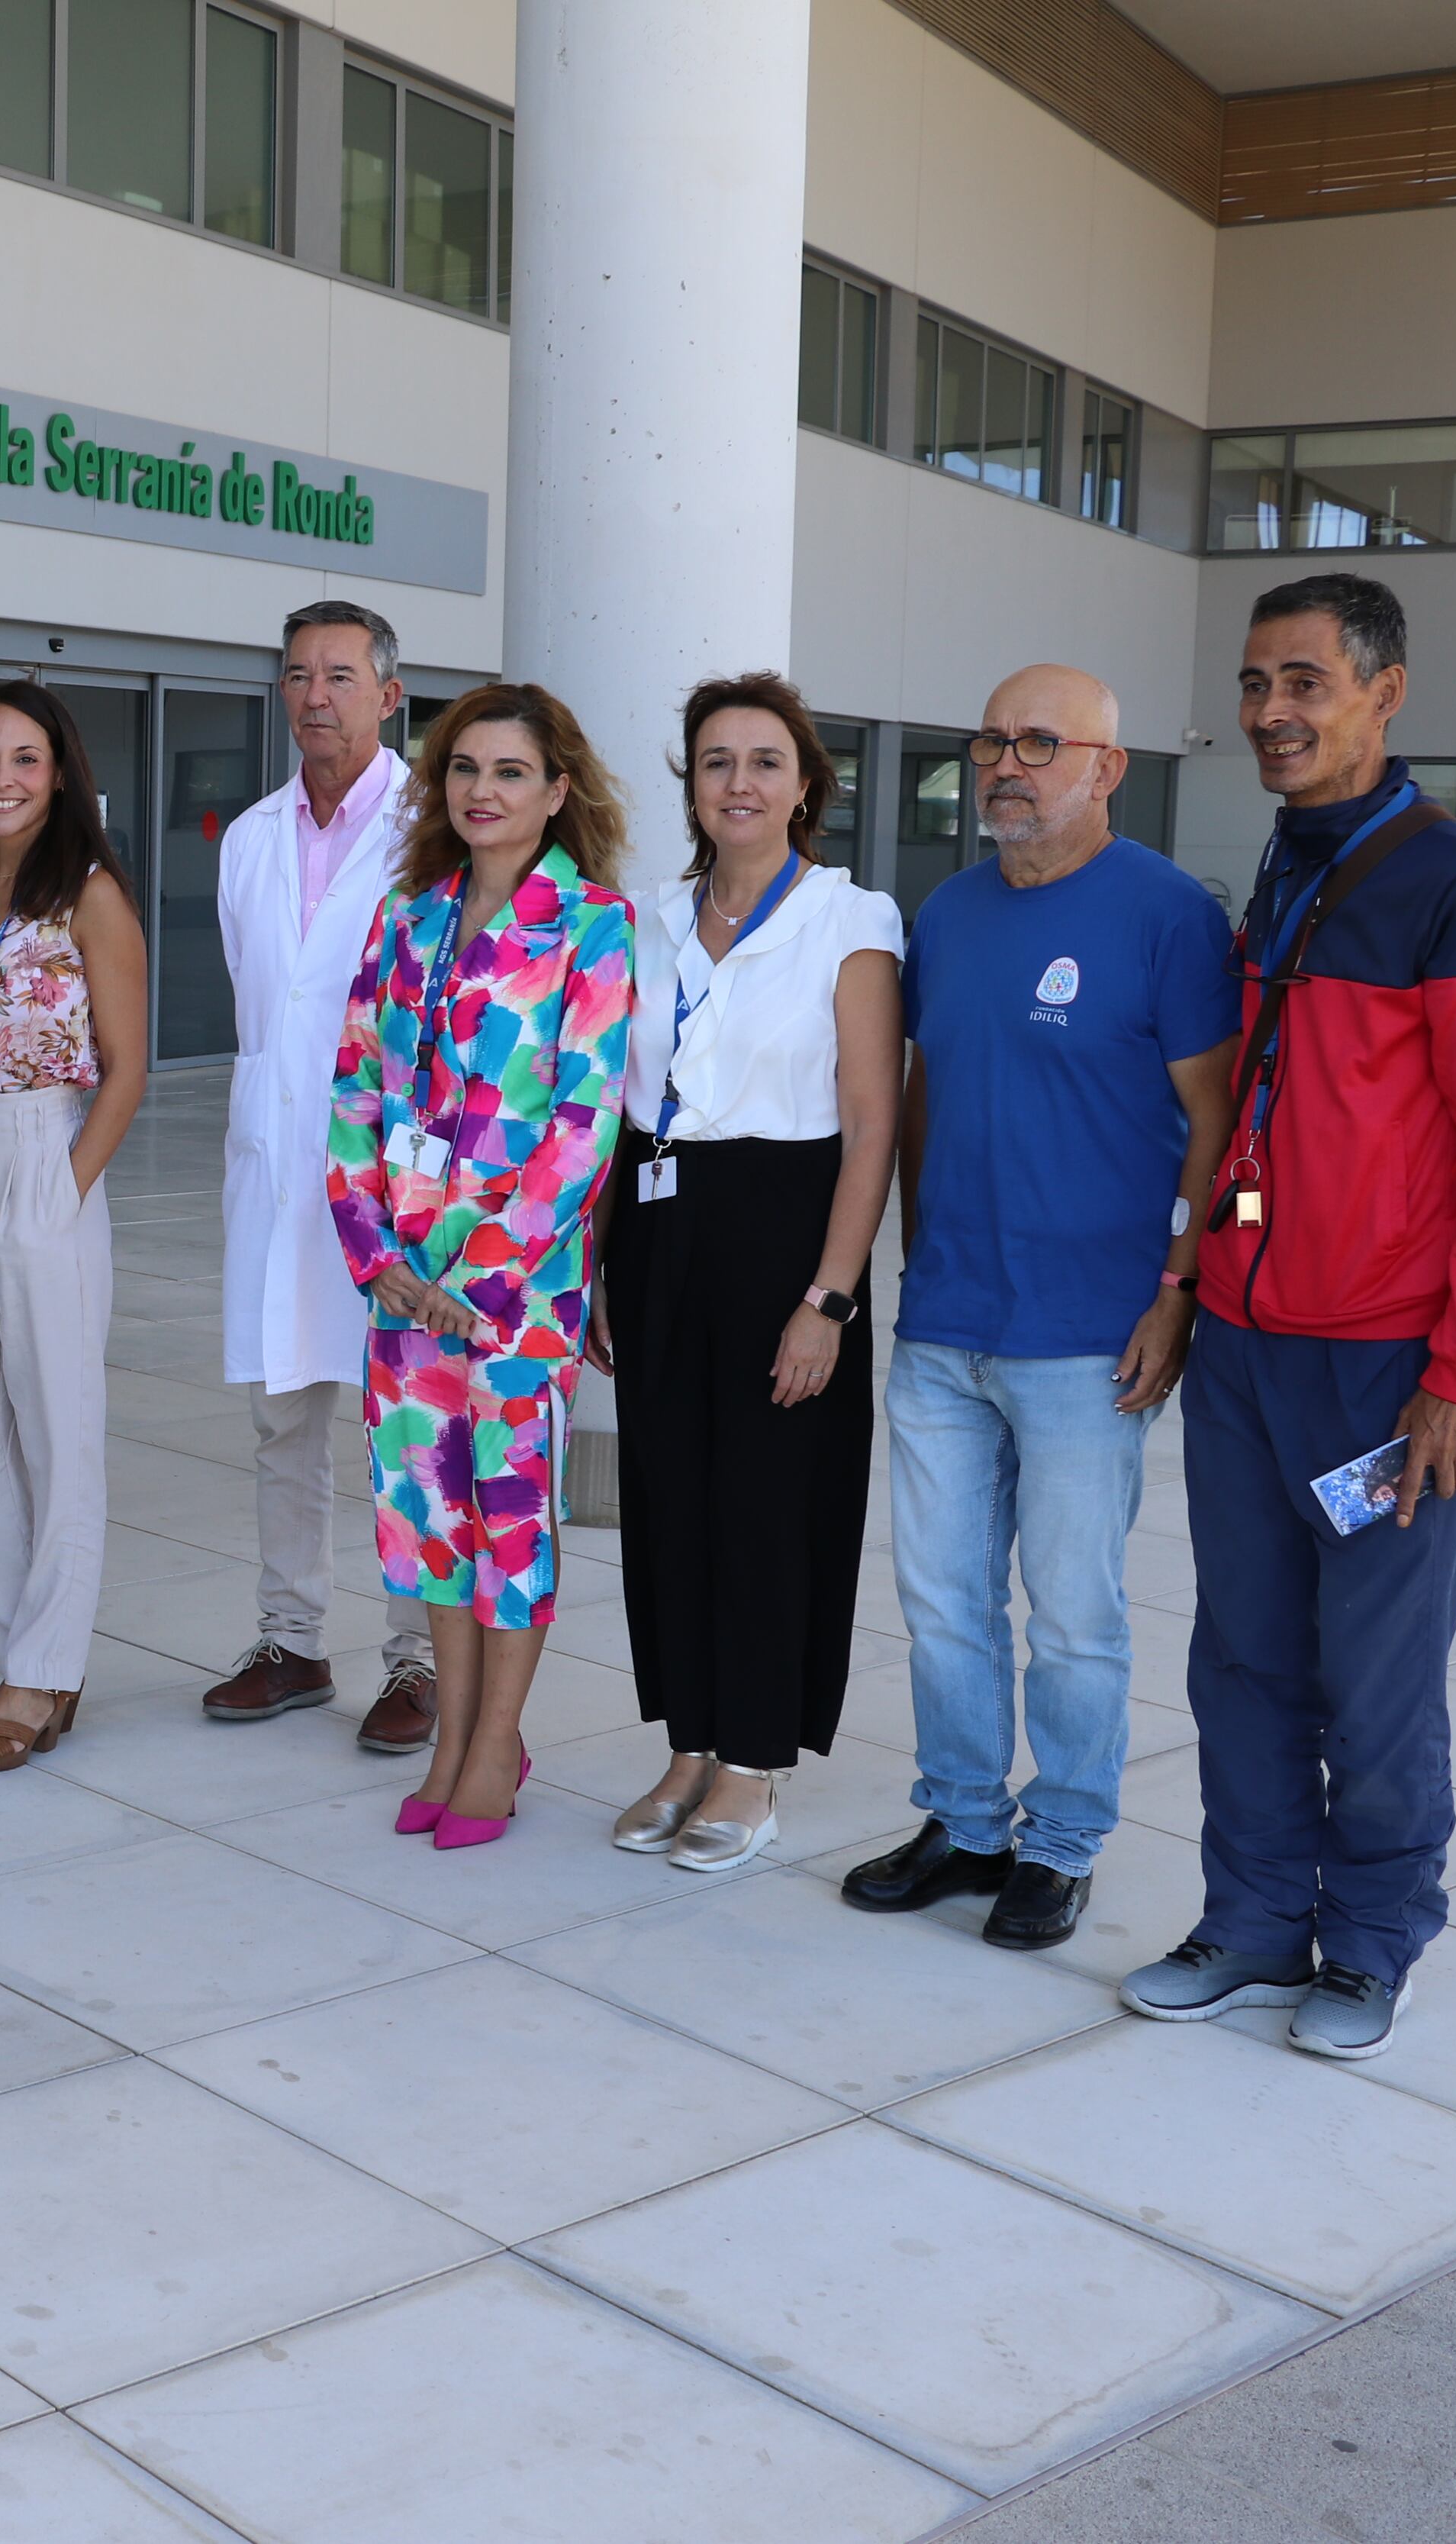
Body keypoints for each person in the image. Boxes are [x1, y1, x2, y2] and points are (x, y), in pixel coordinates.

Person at [1120, 573, 1456, 2059]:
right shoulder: (1290, 866)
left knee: (1373, 1680)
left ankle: (1370, 1940)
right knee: (1241, 1656)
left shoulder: (1452, 882)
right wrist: (1193, 1289)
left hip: (1388, 1371)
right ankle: (1250, 1920)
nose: (1269, 713)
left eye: (1302, 682)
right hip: (1247, 1351)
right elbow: (1257, 1122)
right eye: (1253, 685)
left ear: (1384, 690)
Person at [843, 666, 1237, 1949]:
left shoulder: (1169, 916)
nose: (1007, 765)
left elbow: (1215, 1125)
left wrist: (1177, 1292)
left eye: (1039, 743)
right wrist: (917, 1265)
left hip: (1088, 1336)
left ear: (1107, 767)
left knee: (1073, 1613)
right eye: (993, 742)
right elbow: (919, 1102)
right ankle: (964, 1821)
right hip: (946, 1326)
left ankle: (1060, 1840)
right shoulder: (945, 915)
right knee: (947, 1602)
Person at [602, 675, 904, 1869]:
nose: (740, 781)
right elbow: (613, 1113)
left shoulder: (849, 917)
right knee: (669, 1495)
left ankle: (754, 1759)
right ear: (689, 780)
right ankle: (688, 1740)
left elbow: (872, 1124)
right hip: (661, 1216)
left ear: (804, 783)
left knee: (771, 1503)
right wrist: (601, 1264)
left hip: (789, 1228)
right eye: (717, 760)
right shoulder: (646, 919)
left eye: (765, 761)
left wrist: (828, 1297)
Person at [328, 683, 636, 1848]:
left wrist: (488, 1276)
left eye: (510, 771)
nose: (482, 791)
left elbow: (582, 1120)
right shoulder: (405, 919)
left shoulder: (592, 927)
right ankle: (451, 1738)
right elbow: (354, 1092)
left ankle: (497, 1744)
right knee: (427, 1519)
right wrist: (377, 1259)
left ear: (557, 791)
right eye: (464, 768)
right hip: (403, 1291)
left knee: (505, 1519)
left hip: (514, 1297)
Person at [206, 603, 441, 1752]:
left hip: (394, 1177)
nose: (316, 696)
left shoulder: (437, 830)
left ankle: (419, 1661)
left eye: (341, 676)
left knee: (401, 1420)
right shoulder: (249, 837)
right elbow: (267, 1007)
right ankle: (291, 1639)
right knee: (283, 1416)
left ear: (388, 695)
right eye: (297, 673)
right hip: (280, 1161)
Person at [0, 683, 151, 1771]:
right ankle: (25, 1654)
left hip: (42, 1149)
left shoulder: (89, 893)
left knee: (58, 1429)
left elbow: (129, 1064)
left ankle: (47, 1669)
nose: (1, 777)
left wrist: (67, 1186)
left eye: (25, 758)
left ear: (61, 773)